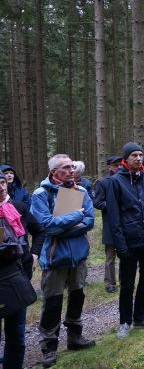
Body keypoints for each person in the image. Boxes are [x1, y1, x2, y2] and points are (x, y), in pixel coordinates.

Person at [30, 154, 96, 368]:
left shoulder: (81, 191)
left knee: (77, 296)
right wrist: (76, 217)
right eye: (66, 167)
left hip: (78, 255)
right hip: (54, 258)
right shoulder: (41, 194)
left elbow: (90, 221)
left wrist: (64, 226)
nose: (71, 170)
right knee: (52, 302)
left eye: (72, 167)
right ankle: (49, 348)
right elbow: (47, 226)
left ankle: (75, 338)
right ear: (54, 171)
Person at [106, 142, 144, 339]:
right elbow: (114, 218)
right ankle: (125, 321)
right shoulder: (116, 182)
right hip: (129, 243)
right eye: (134, 155)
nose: (138, 158)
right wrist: (120, 245)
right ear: (126, 159)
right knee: (127, 285)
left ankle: (140, 316)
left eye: (140, 155)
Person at [0, 173, 44, 369]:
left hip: (17, 276)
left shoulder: (19, 208)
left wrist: (34, 254)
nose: (1, 187)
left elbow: (39, 230)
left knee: (16, 332)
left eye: (2, 182)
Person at [93, 155, 123, 294]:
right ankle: (110, 283)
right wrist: (113, 206)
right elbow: (98, 203)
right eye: (116, 165)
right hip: (110, 225)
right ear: (109, 167)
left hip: (126, 225)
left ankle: (125, 280)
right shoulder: (102, 182)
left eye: (121, 165)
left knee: (126, 255)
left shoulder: (126, 180)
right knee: (110, 257)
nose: (119, 167)